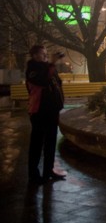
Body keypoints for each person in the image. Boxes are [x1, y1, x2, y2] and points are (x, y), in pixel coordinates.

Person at [26, 45, 66, 185]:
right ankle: (33, 174)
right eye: (41, 54)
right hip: (39, 111)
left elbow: (57, 83)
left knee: (50, 142)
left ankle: (48, 170)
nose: (44, 56)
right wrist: (52, 63)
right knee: (37, 144)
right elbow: (43, 81)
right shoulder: (32, 69)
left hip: (51, 111)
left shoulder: (47, 67)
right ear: (34, 56)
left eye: (45, 53)